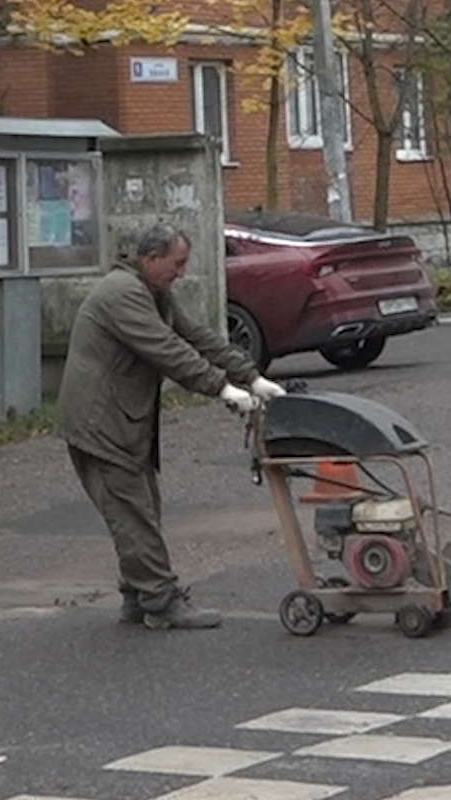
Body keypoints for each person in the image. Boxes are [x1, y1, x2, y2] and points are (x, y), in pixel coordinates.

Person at [55, 221, 287, 630]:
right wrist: (222, 388)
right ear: (151, 258)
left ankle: (138, 595)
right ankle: (161, 602)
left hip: (122, 421)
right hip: (101, 424)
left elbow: (196, 336)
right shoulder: (122, 295)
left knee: (142, 507)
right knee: (133, 513)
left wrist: (250, 376)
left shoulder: (150, 291)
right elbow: (166, 350)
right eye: (177, 264)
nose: (181, 272)